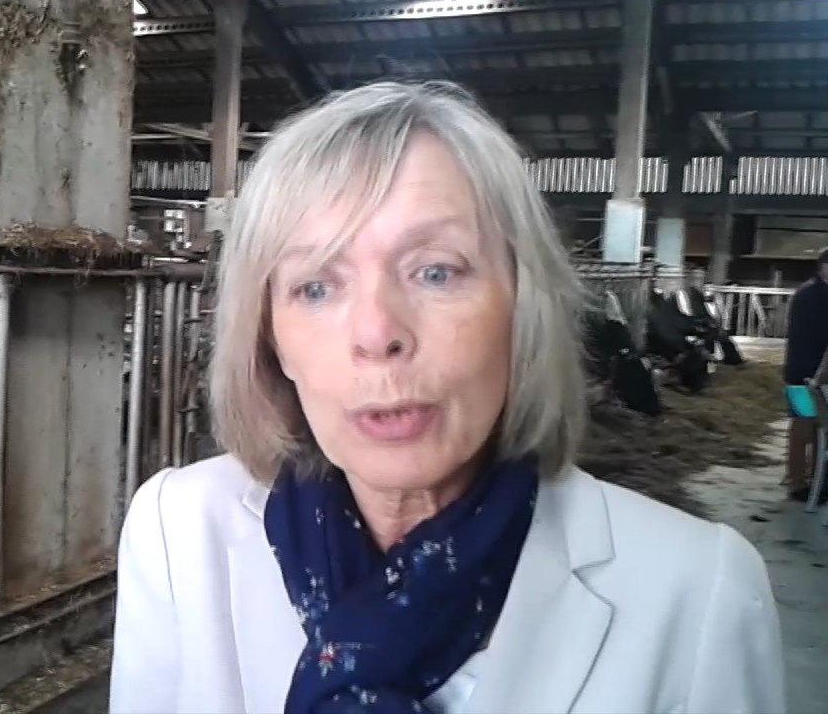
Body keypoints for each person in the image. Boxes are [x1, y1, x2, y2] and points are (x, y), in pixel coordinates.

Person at [109, 81, 784, 714]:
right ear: (272, 339)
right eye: (316, 286)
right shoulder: (178, 534)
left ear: (522, 307)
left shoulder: (699, 593)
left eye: (436, 271)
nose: (377, 334)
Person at [782, 248, 828, 502]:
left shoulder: (812, 291)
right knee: (804, 426)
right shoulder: (814, 295)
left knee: (814, 426)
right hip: (806, 372)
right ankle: (797, 481)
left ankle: (810, 477)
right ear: (823, 266)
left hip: (807, 369)